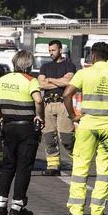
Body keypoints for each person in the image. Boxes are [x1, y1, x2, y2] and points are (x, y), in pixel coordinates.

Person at [62, 41, 108, 215]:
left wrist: (73, 116)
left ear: (93, 56)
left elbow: (67, 95)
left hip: (87, 127)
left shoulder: (84, 73)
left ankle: (76, 211)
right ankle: (97, 212)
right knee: (104, 171)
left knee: (80, 168)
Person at [0, 50, 44, 215]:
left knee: (8, 164)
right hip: (26, 128)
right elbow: (38, 100)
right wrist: (39, 115)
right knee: (23, 166)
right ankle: (17, 205)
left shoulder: (3, 79)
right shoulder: (31, 80)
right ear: (29, 65)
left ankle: (0, 203)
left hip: (8, 126)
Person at [38, 40, 77, 175]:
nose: (51, 53)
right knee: (49, 136)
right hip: (48, 104)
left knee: (66, 137)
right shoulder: (45, 67)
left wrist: (50, 80)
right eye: (49, 51)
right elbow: (41, 84)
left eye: (53, 50)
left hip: (63, 104)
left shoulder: (69, 66)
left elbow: (68, 82)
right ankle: (53, 166)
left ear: (60, 50)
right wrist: (58, 82)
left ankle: (78, 164)